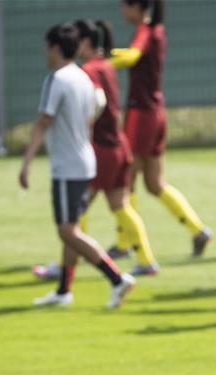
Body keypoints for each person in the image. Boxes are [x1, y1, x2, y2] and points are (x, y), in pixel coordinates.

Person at [19, 23, 135, 309]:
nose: (44, 52)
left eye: (46, 46)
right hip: (85, 160)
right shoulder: (83, 77)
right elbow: (92, 116)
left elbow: (43, 121)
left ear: (56, 48)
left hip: (67, 166)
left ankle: (117, 278)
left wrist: (27, 162)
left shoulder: (57, 79)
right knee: (72, 227)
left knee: (67, 231)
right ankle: (63, 291)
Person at [111, 0, 213, 257]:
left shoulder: (146, 31)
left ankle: (125, 244)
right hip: (156, 112)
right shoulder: (156, 30)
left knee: (126, 180)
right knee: (155, 183)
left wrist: (101, 62)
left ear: (137, 6)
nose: (121, 11)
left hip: (141, 114)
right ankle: (198, 230)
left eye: (124, 5)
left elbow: (132, 56)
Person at [76, 19, 158, 276]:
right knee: (119, 205)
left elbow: (98, 100)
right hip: (118, 144)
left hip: (102, 147)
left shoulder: (90, 68)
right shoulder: (106, 66)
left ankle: (69, 264)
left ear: (86, 43)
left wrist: (86, 127)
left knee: (75, 210)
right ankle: (146, 261)